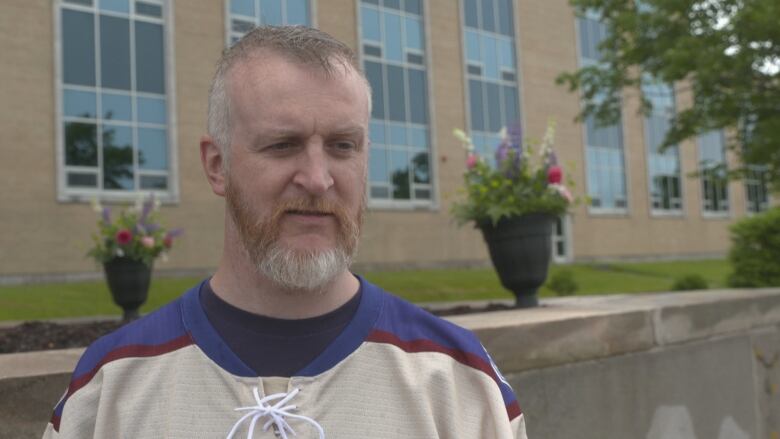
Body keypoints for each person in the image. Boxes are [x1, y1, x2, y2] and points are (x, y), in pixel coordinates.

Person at [43, 26, 528, 439]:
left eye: (343, 145)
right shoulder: (110, 388)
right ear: (217, 166)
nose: (318, 178)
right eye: (282, 145)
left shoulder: (456, 378)